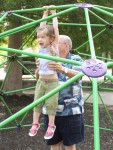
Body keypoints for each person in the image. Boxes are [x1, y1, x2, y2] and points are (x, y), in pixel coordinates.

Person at [38, 35, 84, 150]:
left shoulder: (75, 59)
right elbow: (39, 79)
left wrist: (62, 69)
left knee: (70, 144)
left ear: (66, 46)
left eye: (57, 42)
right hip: (51, 111)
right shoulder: (49, 58)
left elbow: (79, 75)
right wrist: (39, 69)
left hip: (71, 111)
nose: (52, 44)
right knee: (54, 143)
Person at [29, 6, 59, 140]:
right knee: (37, 102)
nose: (40, 39)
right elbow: (42, 26)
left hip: (52, 82)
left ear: (51, 38)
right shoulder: (40, 49)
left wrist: (53, 14)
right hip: (41, 81)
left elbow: (55, 30)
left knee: (51, 104)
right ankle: (35, 123)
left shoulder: (53, 46)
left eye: (43, 37)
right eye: (38, 37)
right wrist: (44, 13)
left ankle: (51, 125)